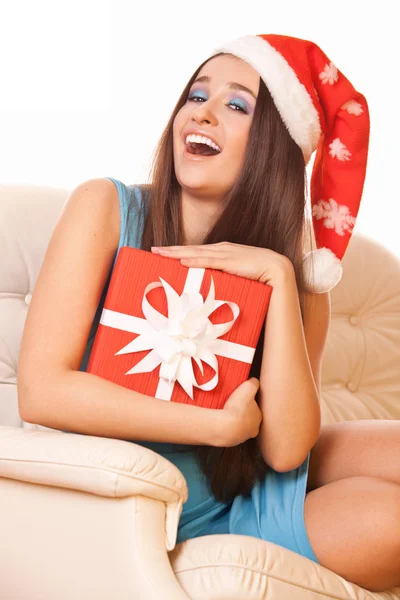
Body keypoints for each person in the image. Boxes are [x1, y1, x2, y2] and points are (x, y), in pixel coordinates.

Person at [17, 33, 400, 593]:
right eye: (196, 96)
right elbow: (42, 391)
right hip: (163, 502)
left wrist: (278, 278)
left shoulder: (300, 267)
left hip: (256, 480)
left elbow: (288, 445)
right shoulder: (105, 206)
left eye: (236, 104)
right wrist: (215, 425)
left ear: (272, 142)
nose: (203, 114)